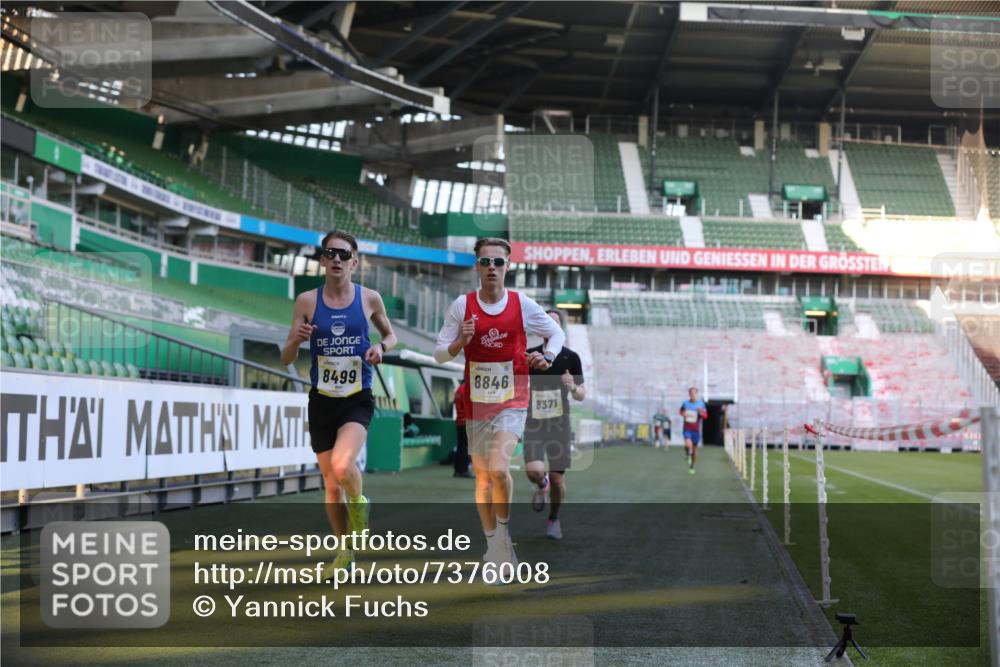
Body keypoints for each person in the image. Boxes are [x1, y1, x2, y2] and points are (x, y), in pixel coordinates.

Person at [434, 237, 564, 570]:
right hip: (478, 404)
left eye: (498, 262)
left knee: (498, 469)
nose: (492, 267)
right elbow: (438, 353)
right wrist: (461, 342)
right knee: (482, 481)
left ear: (508, 266)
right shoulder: (461, 306)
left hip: (513, 399)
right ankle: (494, 542)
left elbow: (556, 333)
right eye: (485, 262)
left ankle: (504, 539)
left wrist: (547, 355)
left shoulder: (522, 305)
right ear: (477, 266)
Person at [281, 230, 397, 573]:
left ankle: (360, 504)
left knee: (344, 467)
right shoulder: (306, 301)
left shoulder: (369, 299)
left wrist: (381, 348)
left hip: (355, 398)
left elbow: (390, 334)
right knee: (331, 486)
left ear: (354, 262)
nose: (336, 259)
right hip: (321, 401)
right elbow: (285, 357)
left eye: (344, 255)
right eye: (330, 254)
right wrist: (297, 340)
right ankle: (344, 552)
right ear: (321, 260)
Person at [524, 309, 585, 540]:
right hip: (534, 423)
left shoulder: (571, 358)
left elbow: (581, 394)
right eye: (547, 322)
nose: (551, 325)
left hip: (559, 425)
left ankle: (553, 518)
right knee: (534, 472)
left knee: (559, 480)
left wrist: (572, 387)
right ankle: (542, 484)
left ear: (561, 329)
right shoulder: (530, 355)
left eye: (556, 322)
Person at [679, 387, 708, 475]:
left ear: (697, 394)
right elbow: (681, 411)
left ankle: (692, 466)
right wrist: (683, 414)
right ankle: (688, 454)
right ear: (689, 394)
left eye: (694, 393)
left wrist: (701, 413)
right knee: (688, 443)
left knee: (694, 450)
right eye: (691, 393)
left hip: (695, 430)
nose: (693, 395)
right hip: (687, 428)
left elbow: (706, 416)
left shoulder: (701, 404)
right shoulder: (685, 403)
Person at [453, 381, 472, 478]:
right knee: (465, 447)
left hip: (460, 421)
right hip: (466, 421)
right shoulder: (467, 389)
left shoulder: (459, 389)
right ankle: (464, 470)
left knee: (460, 446)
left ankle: (458, 470)